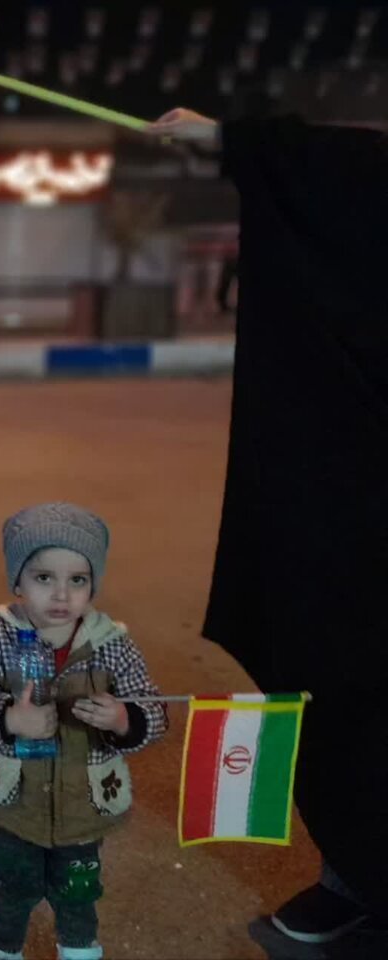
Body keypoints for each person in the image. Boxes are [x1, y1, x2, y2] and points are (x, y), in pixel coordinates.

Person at [148, 108, 388, 944]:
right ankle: (358, 870)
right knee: (343, 659)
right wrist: (239, 141)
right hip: (362, 486)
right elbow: (364, 183)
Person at [0, 503, 168, 960]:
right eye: (44, 577)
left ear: (93, 585)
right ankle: (2, 950)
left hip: (83, 807)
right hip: (12, 805)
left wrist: (124, 720)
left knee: (79, 891)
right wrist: (9, 720)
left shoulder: (112, 645)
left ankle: (80, 950)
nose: (61, 594)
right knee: (14, 887)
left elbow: (153, 707)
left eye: (78, 580)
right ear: (18, 582)